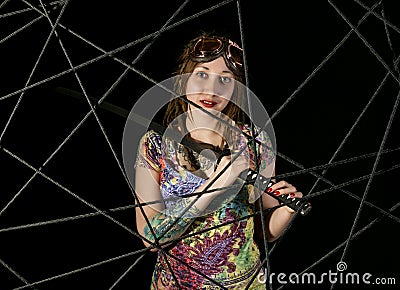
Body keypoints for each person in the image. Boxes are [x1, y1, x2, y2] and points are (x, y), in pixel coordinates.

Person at [134, 32, 303, 289]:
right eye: (202, 74)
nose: (211, 90)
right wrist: (216, 183)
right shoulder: (155, 144)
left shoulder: (257, 142)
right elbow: (152, 239)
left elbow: (263, 232)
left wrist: (287, 210)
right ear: (183, 79)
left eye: (225, 79)